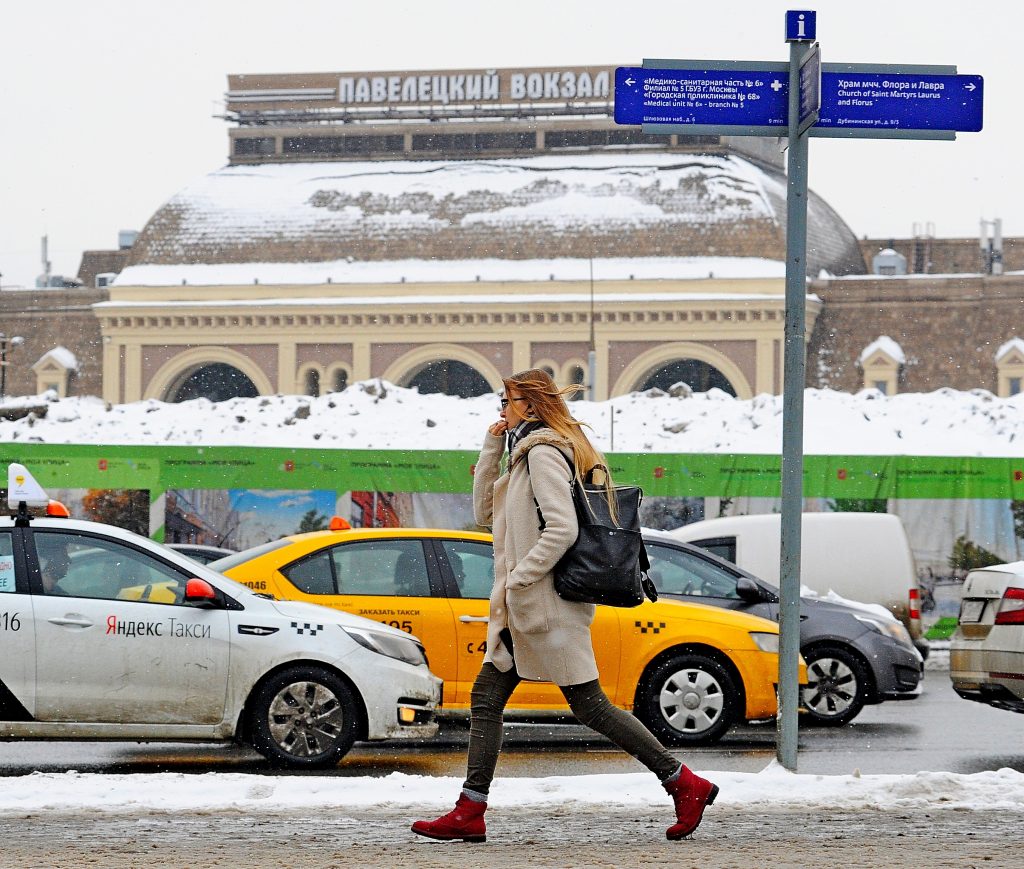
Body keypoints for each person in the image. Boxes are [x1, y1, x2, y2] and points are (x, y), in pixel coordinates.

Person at [411, 369, 718, 843]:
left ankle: (683, 782)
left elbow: (562, 529)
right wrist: (492, 447)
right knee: (487, 700)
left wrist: (520, 578)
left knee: (591, 707)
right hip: (525, 611)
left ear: (529, 406)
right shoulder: (523, 454)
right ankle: (470, 811)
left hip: (545, 609)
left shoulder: (545, 454)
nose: (501, 407)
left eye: (507, 400)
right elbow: (484, 516)